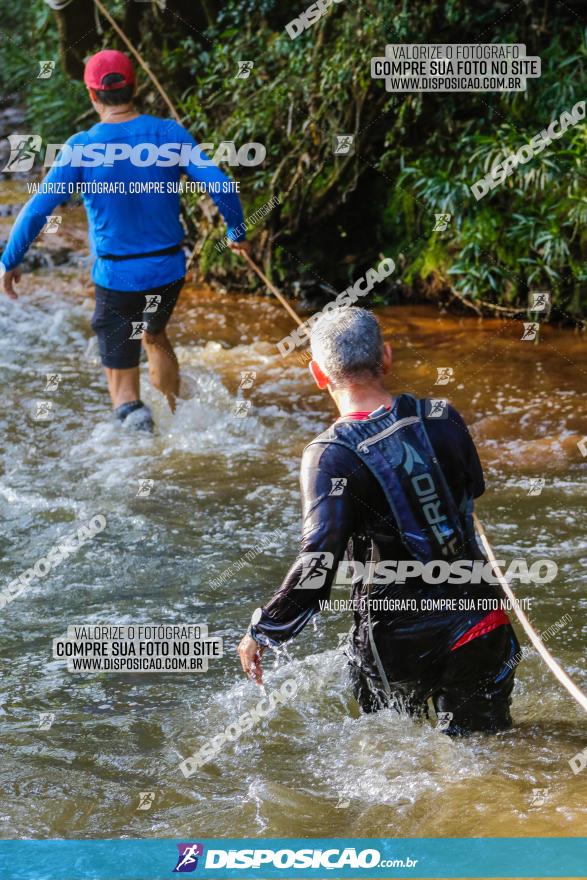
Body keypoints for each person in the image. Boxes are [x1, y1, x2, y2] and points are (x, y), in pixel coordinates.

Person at [238, 307, 520, 735]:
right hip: (478, 621)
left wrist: (266, 628)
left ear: (318, 374)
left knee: (395, 763)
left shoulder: (329, 455)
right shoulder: (443, 416)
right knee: (491, 756)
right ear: (385, 357)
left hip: (396, 640)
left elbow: (320, 558)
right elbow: (472, 490)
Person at [1, 49, 249, 430]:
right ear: (135, 87)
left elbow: (37, 209)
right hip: (168, 270)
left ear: (92, 95)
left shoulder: (81, 146)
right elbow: (220, 184)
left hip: (117, 279)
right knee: (155, 333)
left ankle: (140, 437)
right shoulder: (168, 133)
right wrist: (236, 232)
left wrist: (9, 259)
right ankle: (174, 417)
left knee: (125, 393)